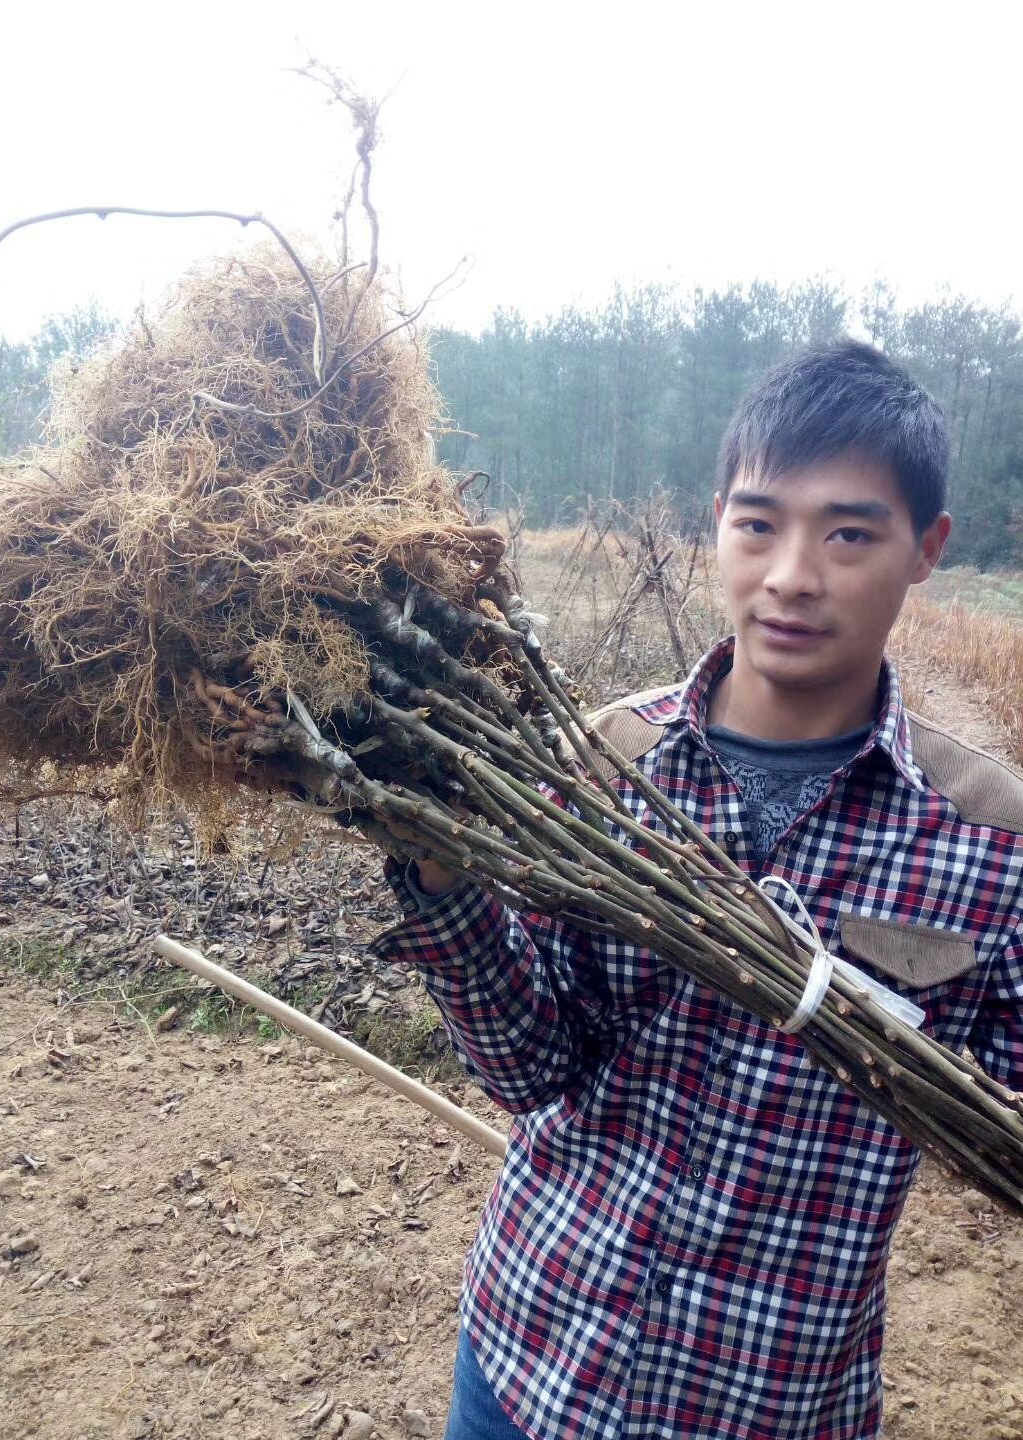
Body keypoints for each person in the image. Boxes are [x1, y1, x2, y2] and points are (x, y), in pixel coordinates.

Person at [373, 340, 1023, 1440]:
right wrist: (438, 864)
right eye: (759, 523)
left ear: (928, 550)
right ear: (717, 520)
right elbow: (529, 1065)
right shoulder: (602, 760)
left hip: (771, 1400)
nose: (791, 576)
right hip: (534, 1360)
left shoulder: (993, 843)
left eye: (850, 532)